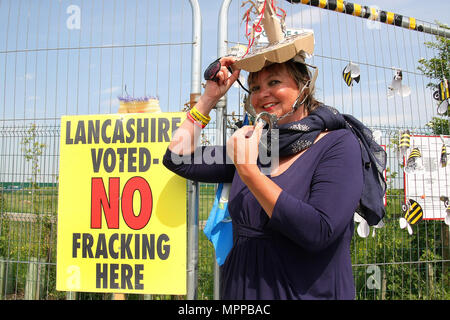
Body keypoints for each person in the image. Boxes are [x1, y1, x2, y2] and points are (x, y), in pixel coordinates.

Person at [163, 55, 365, 299]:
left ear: (303, 85)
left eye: (274, 82)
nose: (262, 94)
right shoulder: (260, 147)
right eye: (255, 87)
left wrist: (249, 171)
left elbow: (319, 231)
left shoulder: (338, 144)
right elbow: (177, 157)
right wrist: (209, 98)